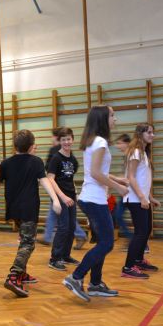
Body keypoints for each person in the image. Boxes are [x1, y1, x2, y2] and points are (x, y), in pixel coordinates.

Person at [62, 106, 128, 302]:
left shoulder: (94, 141)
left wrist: (117, 179)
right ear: (102, 118)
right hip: (94, 199)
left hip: (91, 198)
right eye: (112, 115)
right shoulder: (100, 142)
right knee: (107, 243)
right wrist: (118, 187)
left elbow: (98, 171)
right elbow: (96, 173)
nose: (115, 119)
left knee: (103, 243)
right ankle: (76, 277)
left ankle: (95, 283)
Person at [1, 129, 61, 298]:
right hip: (28, 208)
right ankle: (14, 275)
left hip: (13, 209)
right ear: (31, 146)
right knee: (28, 242)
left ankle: (21, 274)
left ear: (15, 146)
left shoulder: (5, 163)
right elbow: (44, 181)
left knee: (24, 239)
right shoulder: (35, 161)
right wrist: (55, 199)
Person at [121, 124, 161, 279]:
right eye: (149, 132)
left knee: (146, 229)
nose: (152, 135)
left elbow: (143, 179)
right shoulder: (136, 152)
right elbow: (131, 177)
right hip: (134, 199)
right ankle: (128, 267)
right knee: (140, 232)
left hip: (142, 198)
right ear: (140, 134)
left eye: (153, 132)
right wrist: (142, 197)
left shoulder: (144, 152)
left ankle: (138, 260)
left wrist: (149, 197)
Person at [47, 127, 81, 272]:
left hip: (71, 197)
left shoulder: (72, 158)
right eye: (63, 140)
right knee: (63, 227)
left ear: (72, 140)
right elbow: (50, 179)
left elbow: (70, 179)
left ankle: (65, 255)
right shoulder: (56, 158)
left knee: (71, 227)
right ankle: (54, 258)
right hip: (61, 197)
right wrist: (62, 197)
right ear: (59, 141)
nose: (66, 142)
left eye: (68, 139)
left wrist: (75, 193)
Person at [114, 134, 134, 241]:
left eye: (119, 143)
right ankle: (132, 240)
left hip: (131, 192)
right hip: (125, 192)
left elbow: (132, 176)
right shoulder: (126, 157)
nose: (117, 146)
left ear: (127, 143)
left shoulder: (131, 156)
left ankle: (138, 242)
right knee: (117, 215)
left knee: (135, 218)